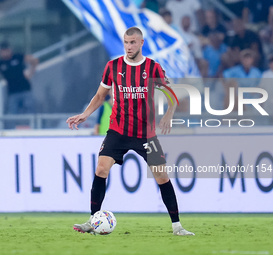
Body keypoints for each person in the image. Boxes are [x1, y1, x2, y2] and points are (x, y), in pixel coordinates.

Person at [66, 27, 195, 236]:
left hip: (145, 133)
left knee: (162, 176)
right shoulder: (113, 66)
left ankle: (177, 227)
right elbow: (100, 96)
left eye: (133, 42)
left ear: (141, 43)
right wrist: (85, 114)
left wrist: (168, 114)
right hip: (118, 130)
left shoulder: (153, 67)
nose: (129, 46)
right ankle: (93, 220)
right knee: (101, 169)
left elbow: (172, 95)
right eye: (126, 42)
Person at [0, 41, 39, 114]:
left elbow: (34, 60)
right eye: (1, 51)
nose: (3, 53)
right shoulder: (0, 63)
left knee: (31, 112)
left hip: (25, 89)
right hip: (12, 92)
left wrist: (31, 72)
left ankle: (33, 125)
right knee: (12, 114)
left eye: (5, 50)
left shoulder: (17, 57)